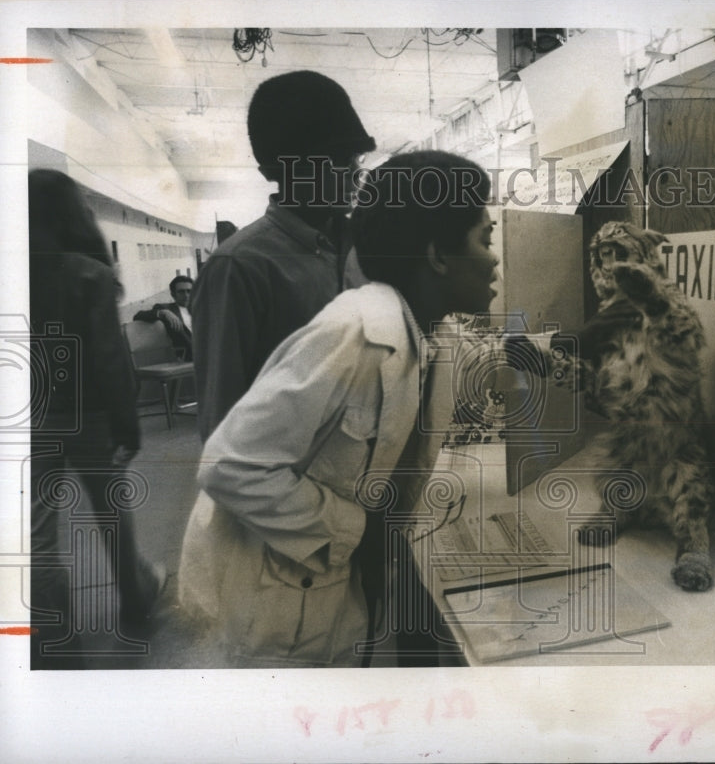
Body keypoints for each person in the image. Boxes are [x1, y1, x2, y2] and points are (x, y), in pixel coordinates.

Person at [179, 150, 547, 668]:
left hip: (328, 592)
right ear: (438, 255)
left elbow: (479, 356)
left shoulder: (429, 326)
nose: (494, 259)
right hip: (274, 612)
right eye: (485, 239)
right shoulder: (354, 333)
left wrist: (570, 353)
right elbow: (231, 467)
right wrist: (355, 528)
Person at [190, 70, 376, 442]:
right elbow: (221, 420)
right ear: (283, 170)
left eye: (355, 158)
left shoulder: (365, 248)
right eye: (338, 159)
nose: (355, 174)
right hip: (287, 485)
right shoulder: (240, 267)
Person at [28, 169, 165, 668]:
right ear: (72, 214)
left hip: (31, 418)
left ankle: (51, 636)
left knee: (38, 532)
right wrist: (129, 427)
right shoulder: (89, 274)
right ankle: (135, 600)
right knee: (110, 514)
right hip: (90, 417)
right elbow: (110, 359)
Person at [133, 275, 194, 360]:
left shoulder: (203, 309)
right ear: (173, 294)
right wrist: (162, 312)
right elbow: (138, 316)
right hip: (189, 356)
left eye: (189, 291)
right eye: (181, 292)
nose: (186, 295)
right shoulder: (166, 308)